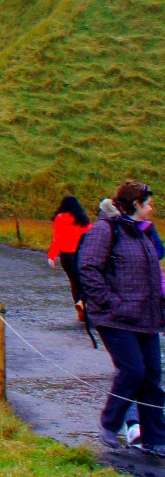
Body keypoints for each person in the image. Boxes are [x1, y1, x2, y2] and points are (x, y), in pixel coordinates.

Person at [78, 181, 165, 454]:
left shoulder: (143, 233)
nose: (152, 207)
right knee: (133, 370)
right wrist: (111, 303)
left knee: (152, 374)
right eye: (148, 202)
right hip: (115, 318)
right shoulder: (106, 230)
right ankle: (110, 423)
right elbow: (89, 269)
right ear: (136, 204)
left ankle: (156, 437)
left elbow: (154, 275)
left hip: (146, 317)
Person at [50, 195, 92, 324]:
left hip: (67, 255)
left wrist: (52, 256)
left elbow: (57, 238)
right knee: (83, 280)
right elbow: (90, 237)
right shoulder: (84, 220)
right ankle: (85, 303)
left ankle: (80, 309)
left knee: (73, 282)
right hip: (82, 254)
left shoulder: (60, 218)